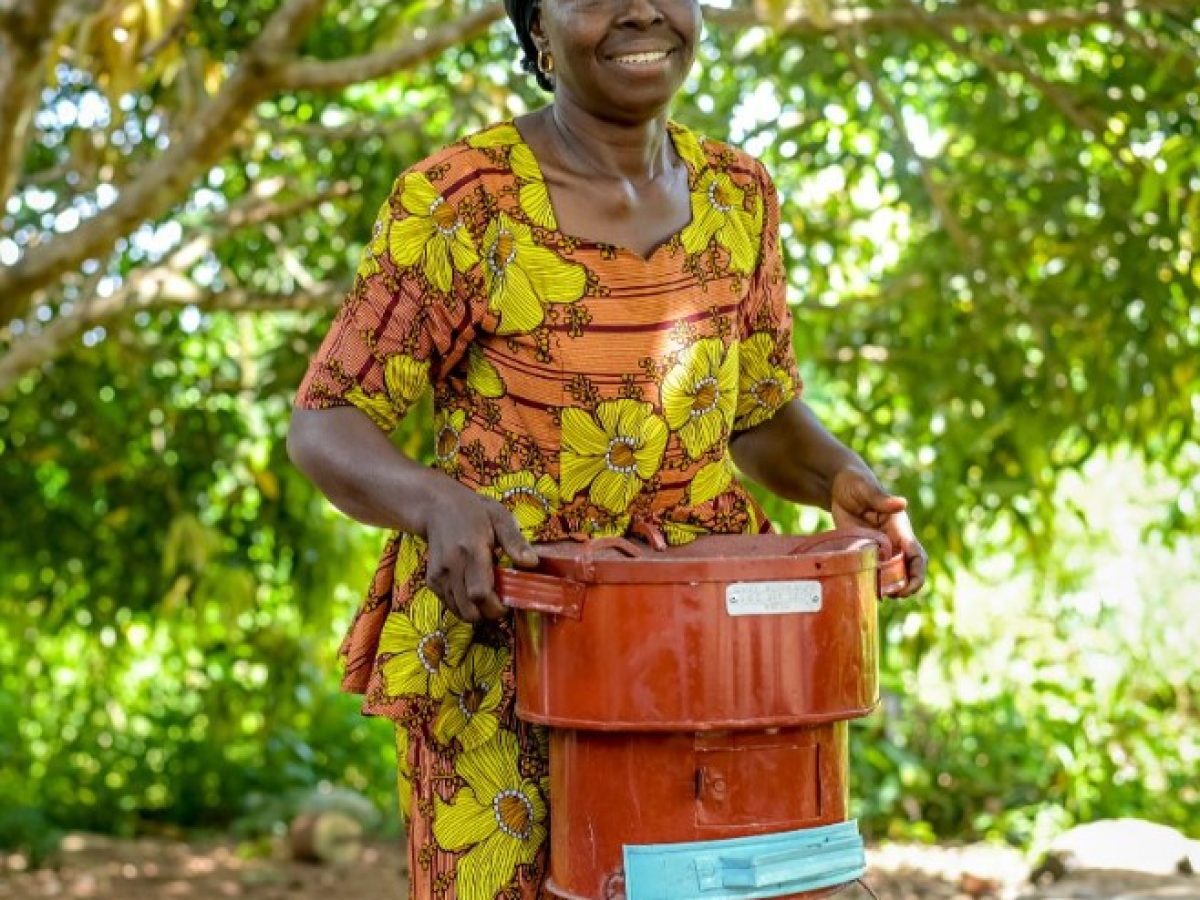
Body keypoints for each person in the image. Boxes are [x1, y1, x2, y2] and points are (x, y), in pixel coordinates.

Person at [287, 0, 928, 897]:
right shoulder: (461, 203)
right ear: (538, 34)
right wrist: (437, 502)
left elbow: (756, 413)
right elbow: (326, 419)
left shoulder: (739, 195)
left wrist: (841, 479)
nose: (641, 11)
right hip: (512, 639)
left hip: (703, 648)